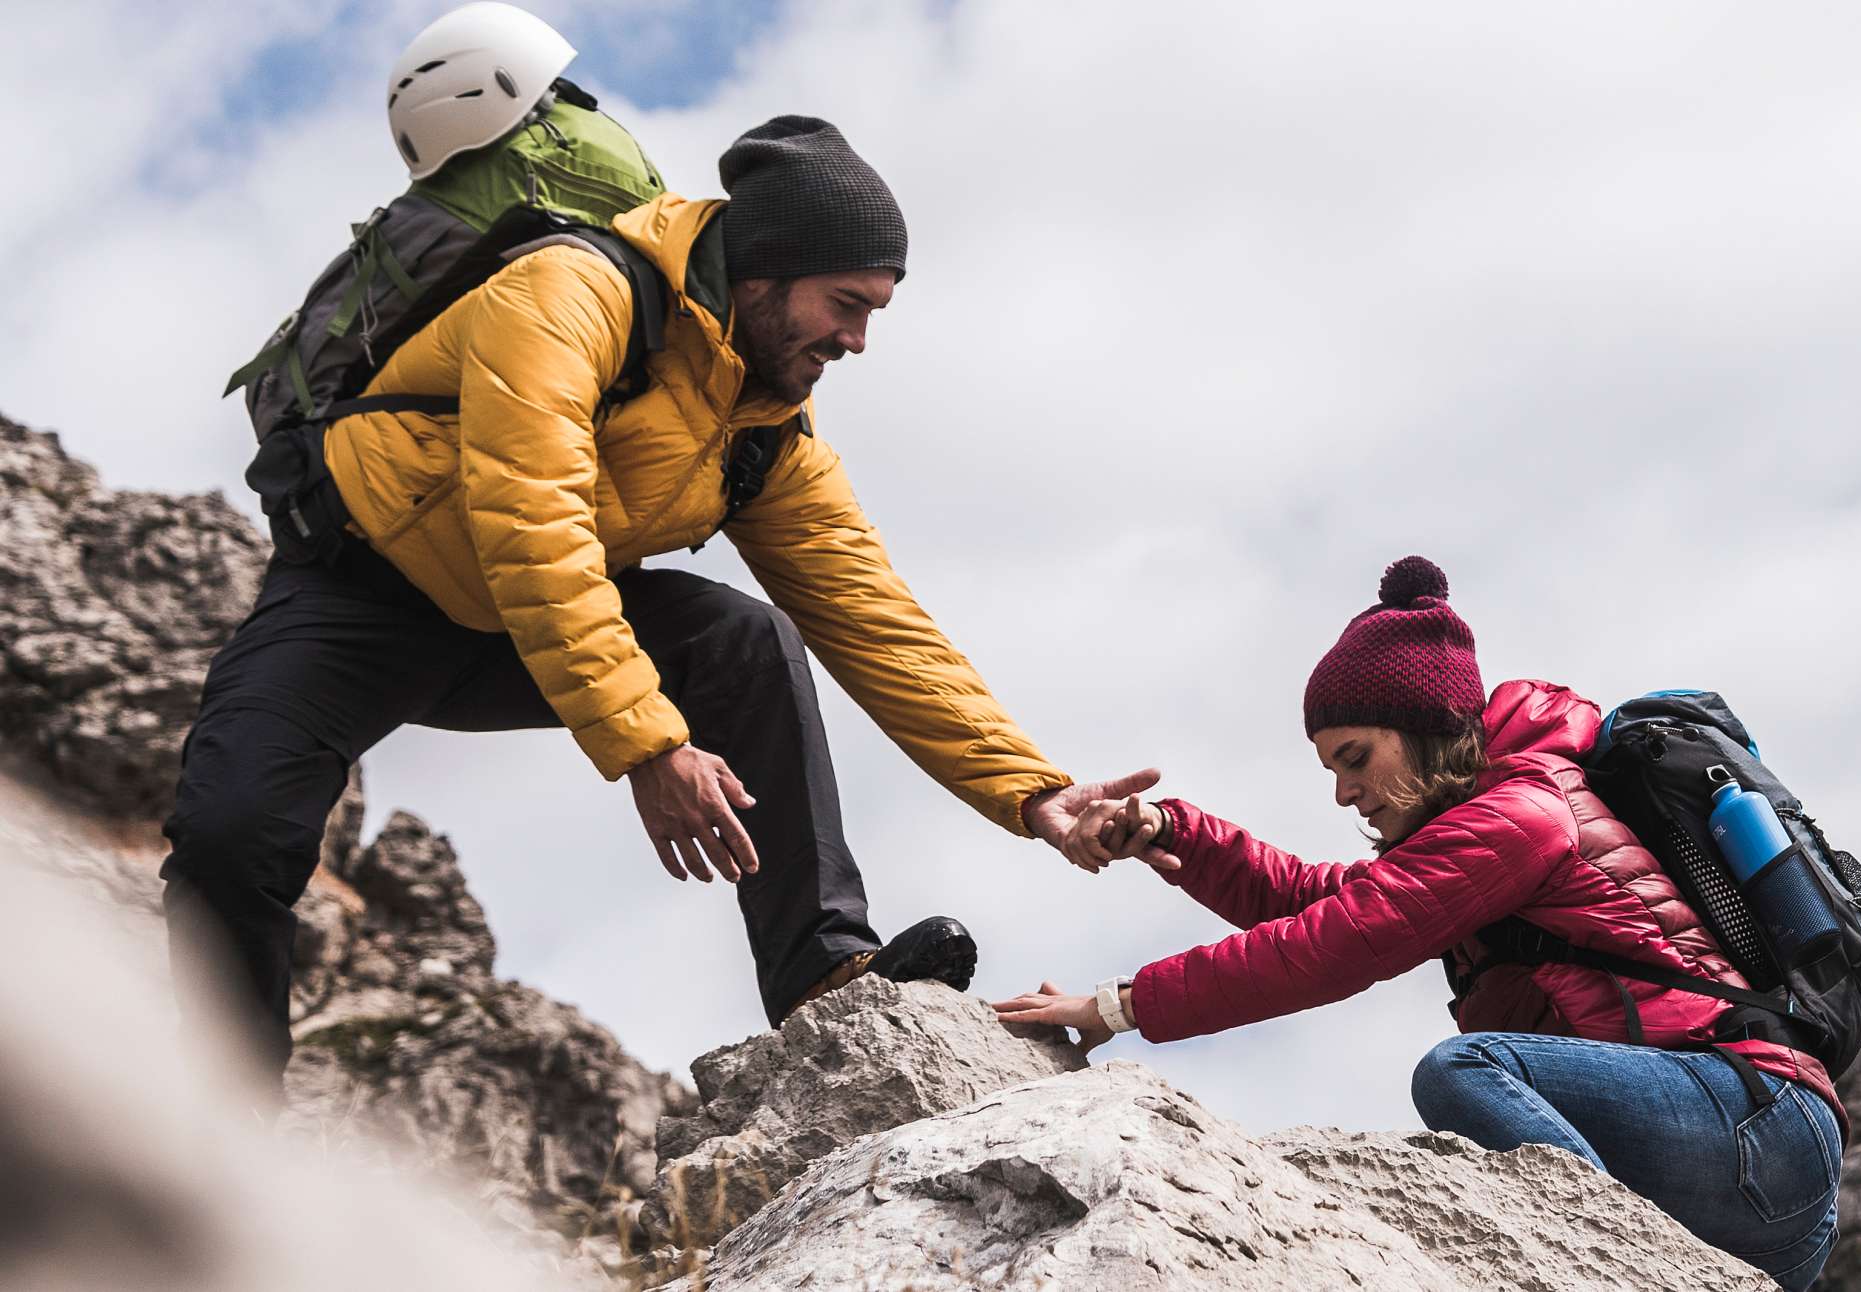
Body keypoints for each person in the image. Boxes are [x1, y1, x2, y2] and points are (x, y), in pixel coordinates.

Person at [162, 8, 1151, 1085]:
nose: (858, 340)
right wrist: (646, 745)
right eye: (846, 304)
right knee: (229, 835)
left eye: (875, 312)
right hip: (359, 598)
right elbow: (528, 513)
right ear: (768, 269)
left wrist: (1032, 791)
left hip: (525, 625)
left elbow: (877, 619)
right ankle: (224, 1124)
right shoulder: (569, 293)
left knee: (749, 641)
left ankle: (824, 969)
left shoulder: (766, 428)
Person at [992, 557, 1844, 1289]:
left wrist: (1119, 1005)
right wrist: (1173, 830)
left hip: (1750, 1122)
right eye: (1330, 768)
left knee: (1465, 1072)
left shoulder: (1523, 815)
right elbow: (1317, 900)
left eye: (1355, 758)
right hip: (1760, 1180)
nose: (1343, 791)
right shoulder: (1484, 827)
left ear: (1429, 727)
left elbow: (1337, 942)